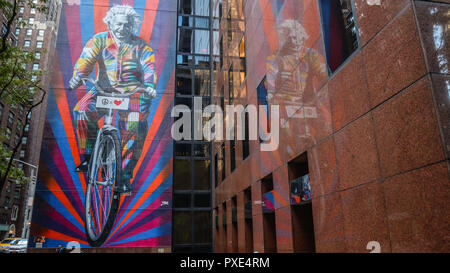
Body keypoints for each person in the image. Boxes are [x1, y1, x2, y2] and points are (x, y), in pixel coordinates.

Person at [69, 5, 157, 194]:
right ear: (110, 23)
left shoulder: (142, 47)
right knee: (82, 109)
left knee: (135, 128)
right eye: (118, 24)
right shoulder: (99, 41)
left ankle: (124, 177)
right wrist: (78, 76)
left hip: (132, 93)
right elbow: (86, 59)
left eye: (126, 25)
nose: (122, 28)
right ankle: (89, 156)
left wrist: (149, 86)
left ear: (132, 25)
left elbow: (149, 67)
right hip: (102, 90)